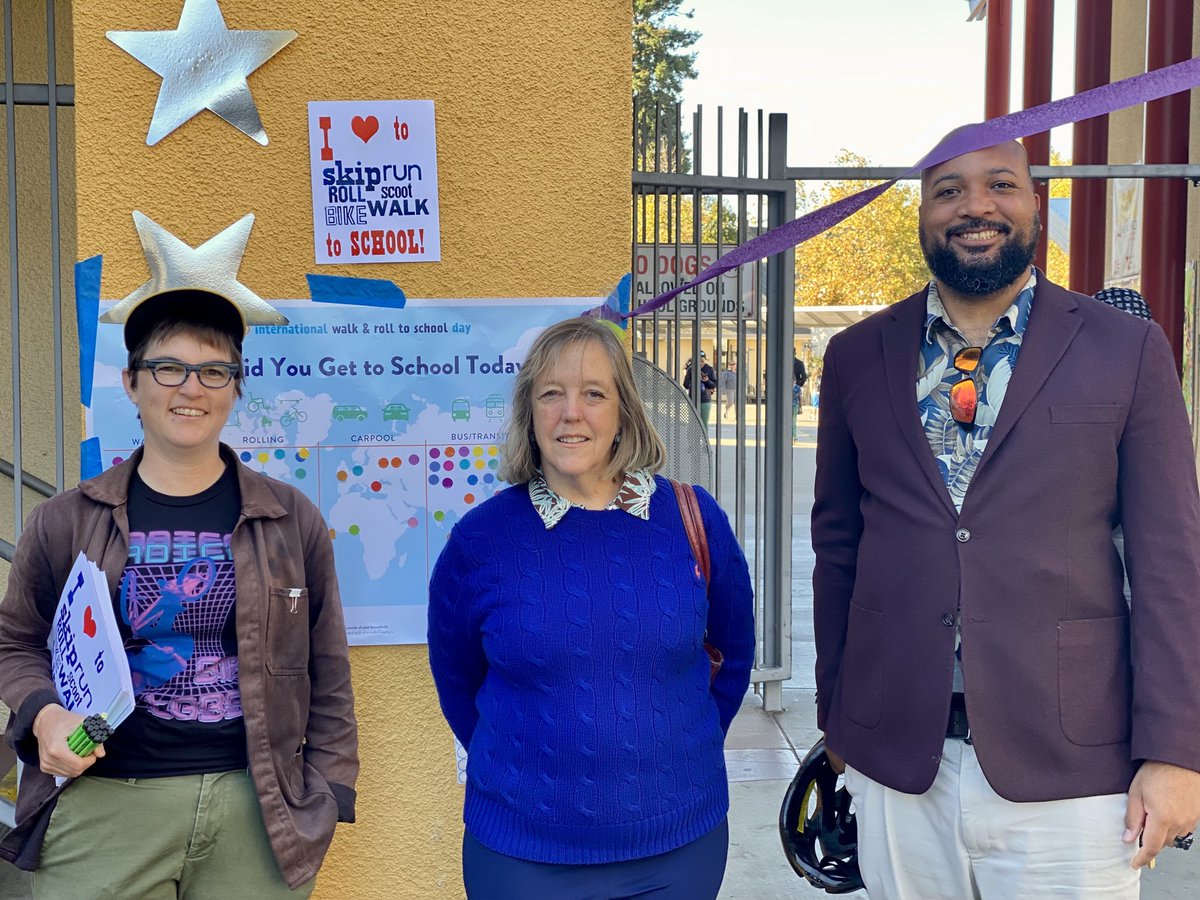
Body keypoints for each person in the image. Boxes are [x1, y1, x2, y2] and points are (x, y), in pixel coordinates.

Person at [811, 139, 1200, 899]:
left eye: (1000, 185)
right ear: (924, 214)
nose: (976, 207)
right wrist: (839, 721)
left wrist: (1176, 750)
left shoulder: (1126, 349)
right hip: (897, 759)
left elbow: (1170, 564)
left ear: (1034, 206)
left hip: (1075, 765)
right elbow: (839, 548)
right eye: (948, 191)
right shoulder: (858, 356)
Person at [0, 288, 359, 897]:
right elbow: (16, 641)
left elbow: (327, 664)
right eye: (168, 368)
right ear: (132, 382)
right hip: (104, 808)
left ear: (235, 387)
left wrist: (328, 789)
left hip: (259, 811)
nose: (191, 388)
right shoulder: (67, 520)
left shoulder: (288, 518)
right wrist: (44, 714)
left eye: (214, 370)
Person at [428, 316, 754, 900]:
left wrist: (681, 744)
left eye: (593, 394)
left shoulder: (692, 519)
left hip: (677, 846)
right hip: (522, 855)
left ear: (624, 411)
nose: (570, 412)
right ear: (529, 413)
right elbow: (457, 680)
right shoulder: (481, 541)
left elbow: (732, 655)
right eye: (550, 393)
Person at [683, 350, 718, 429]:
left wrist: (707, 381)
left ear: (705, 360)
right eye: (699, 361)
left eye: (702, 361)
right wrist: (693, 383)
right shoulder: (690, 370)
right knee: (692, 422)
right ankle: (692, 440)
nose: (701, 363)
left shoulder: (709, 369)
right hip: (693, 399)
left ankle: (704, 441)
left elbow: (714, 384)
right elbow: (685, 383)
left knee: (704, 423)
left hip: (705, 400)